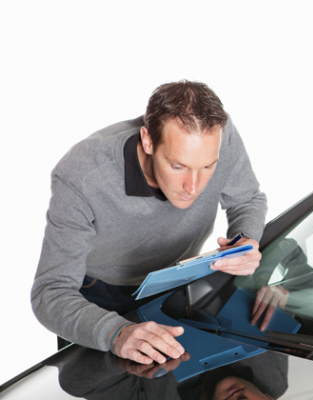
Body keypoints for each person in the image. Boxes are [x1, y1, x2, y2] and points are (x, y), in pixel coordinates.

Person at [31, 80, 267, 365]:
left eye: (207, 167)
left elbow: (247, 199)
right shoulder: (83, 173)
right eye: (178, 166)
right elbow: (50, 292)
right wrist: (116, 333)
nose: (193, 187)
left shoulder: (218, 137)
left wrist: (245, 240)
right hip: (97, 296)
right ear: (148, 141)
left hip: (175, 282)